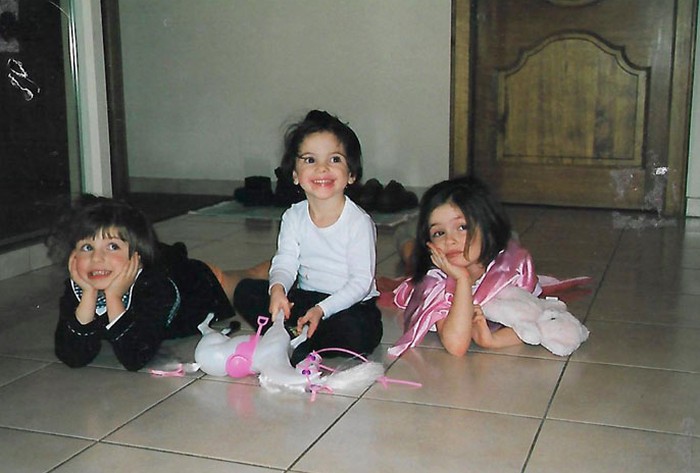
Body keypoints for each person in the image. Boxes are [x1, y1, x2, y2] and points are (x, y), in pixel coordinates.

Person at [232, 110, 382, 366]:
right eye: (310, 160)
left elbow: (361, 283)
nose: (322, 168)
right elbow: (285, 261)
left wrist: (322, 310)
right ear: (294, 174)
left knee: (357, 331)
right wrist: (277, 289)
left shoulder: (358, 222)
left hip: (348, 305)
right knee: (246, 291)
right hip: (306, 298)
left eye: (335, 159)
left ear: (352, 174)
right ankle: (300, 335)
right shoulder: (293, 216)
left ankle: (299, 337)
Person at [47, 194, 235, 371]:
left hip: (193, 283)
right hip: (157, 264)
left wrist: (113, 298)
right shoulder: (80, 287)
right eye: (87, 247)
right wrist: (88, 296)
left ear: (136, 257)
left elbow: (135, 358)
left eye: (112, 246)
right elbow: (73, 357)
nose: (97, 258)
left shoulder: (156, 287)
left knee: (233, 283)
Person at [388, 176, 538, 357]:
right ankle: (407, 237)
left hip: (493, 243)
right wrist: (462, 280)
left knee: (508, 238)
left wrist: (494, 340)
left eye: (462, 227)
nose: (450, 240)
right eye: (439, 233)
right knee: (411, 252)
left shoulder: (512, 267)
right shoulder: (435, 283)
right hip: (430, 262)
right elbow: (456, 345)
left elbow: (538, 322)